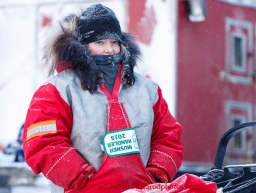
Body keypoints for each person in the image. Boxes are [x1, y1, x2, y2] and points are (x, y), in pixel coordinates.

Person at [23, 4, 183, 193]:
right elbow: (43, 141)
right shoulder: (56, 90)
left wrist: (156, 175)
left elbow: (168, 137)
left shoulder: (148, 90)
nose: (109, 49)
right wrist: (80, 178)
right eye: (99, 43)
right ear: (82, 45)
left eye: (114, 42)